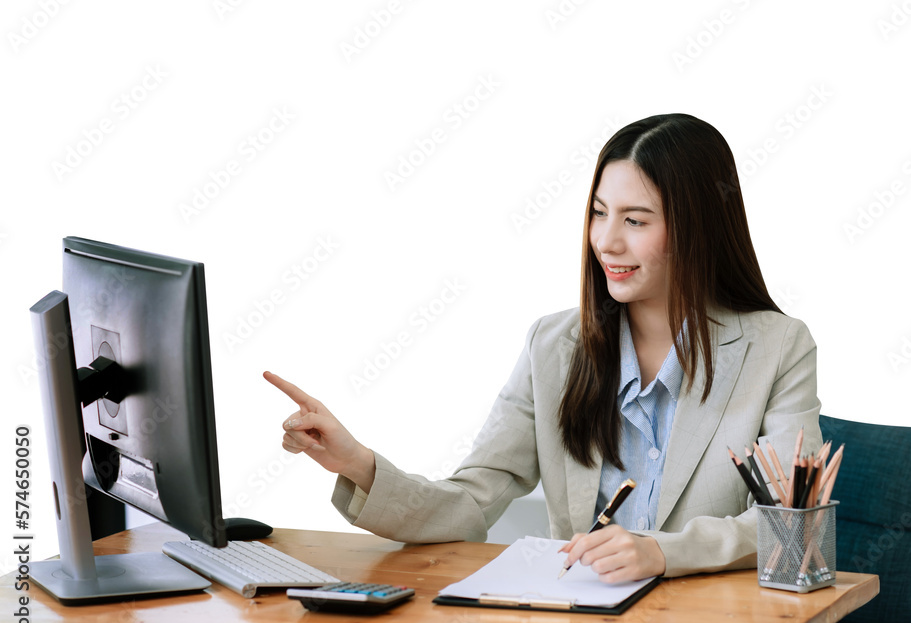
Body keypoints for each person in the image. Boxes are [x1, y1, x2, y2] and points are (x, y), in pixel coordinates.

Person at [265, 113, 821, 583]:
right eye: (599, 213)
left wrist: (662, 552)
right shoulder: (553, 346)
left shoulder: (778, 347)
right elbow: (472, 502)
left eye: (635, 220)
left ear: (697, 227)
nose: (606, 241)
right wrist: (357, 463)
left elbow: (795, 522)